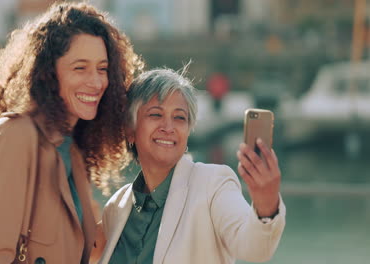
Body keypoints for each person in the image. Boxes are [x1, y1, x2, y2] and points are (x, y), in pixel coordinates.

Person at [0, 2, 143, 263]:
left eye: (102, 69)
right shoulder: (15, 137)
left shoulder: (71, 150)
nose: (96, 82)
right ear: (48, 74)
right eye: (80, 68)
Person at [97, 68, 286, 264]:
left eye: (179, 117)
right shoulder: (116, 206)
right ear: (130, 130)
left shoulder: (213, 184)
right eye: (155, 114)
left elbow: (254, 249)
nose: (168, 127)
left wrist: (266, 204)